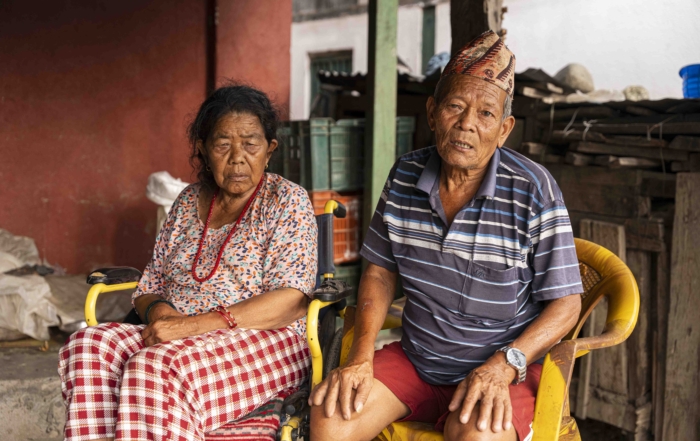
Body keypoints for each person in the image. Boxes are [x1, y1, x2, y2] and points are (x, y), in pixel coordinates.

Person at [309, 31, 583, 441]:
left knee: (477, 435)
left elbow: (566, 304)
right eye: (455, 106)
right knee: (331, 418)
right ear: (433, 112)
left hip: (500, 371)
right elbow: (380, 272)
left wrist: (504, 364)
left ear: (504, 128)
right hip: (419, 361)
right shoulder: (404, 176)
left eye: (486, 114)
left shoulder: (533, 190)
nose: (467, 124)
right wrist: (360, 357)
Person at [58, 85, 318, 441]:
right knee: (88, 347)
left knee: (155, 367)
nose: (237, 157)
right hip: (179, 333)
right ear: (203, 149)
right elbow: (149, 286)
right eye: (223, 144)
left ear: (269, 150)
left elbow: (291, 300)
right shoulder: (187, 202)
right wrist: (163, 315)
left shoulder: (286, 200)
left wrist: (194, 327)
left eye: (251, 144)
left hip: (264, 338)